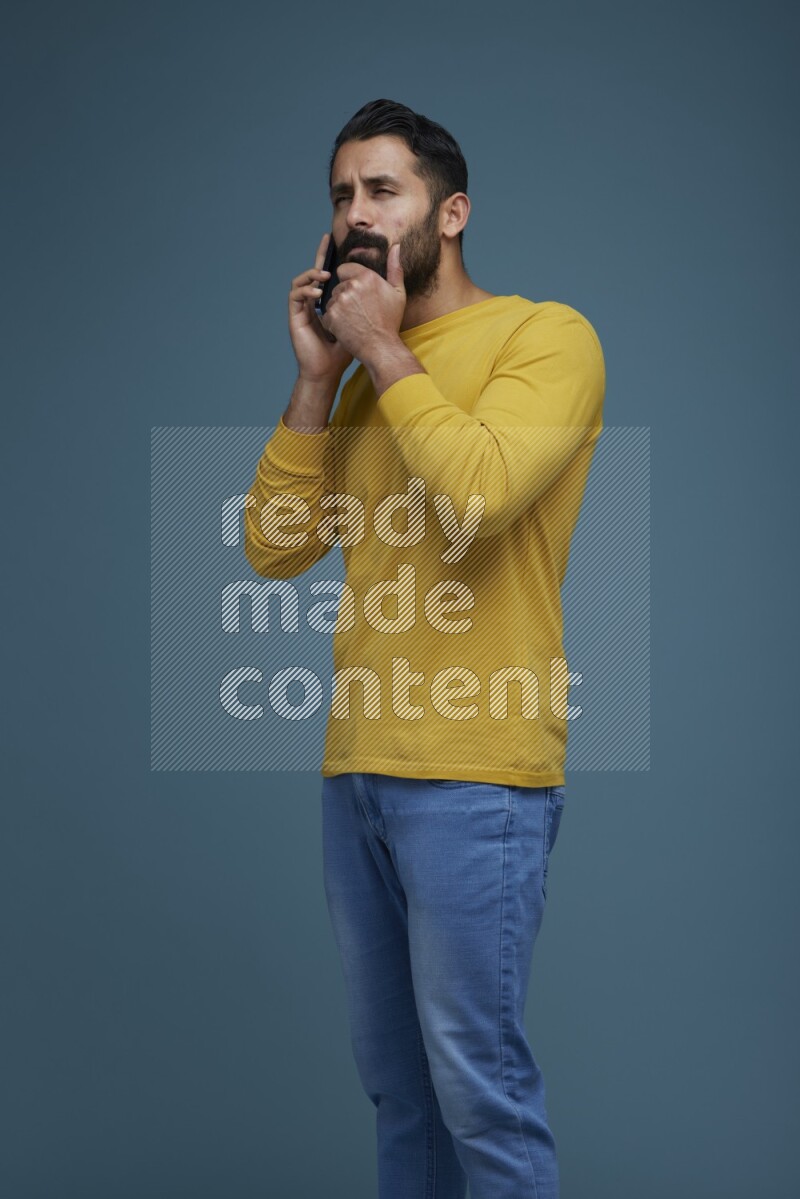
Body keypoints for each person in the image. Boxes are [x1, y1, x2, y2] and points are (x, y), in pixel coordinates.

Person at [244, 98, 605, 1199]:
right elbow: (272, 548)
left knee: (475, 1088)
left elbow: (479, 491)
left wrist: (381, 348)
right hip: (357, 768)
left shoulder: (545, 335)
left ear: (449, 213)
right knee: (400, 1093)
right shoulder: (354, 379)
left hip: (473, 770)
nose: (356, 214)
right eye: (341, 195)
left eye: (382, 189)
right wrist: (316, 376)